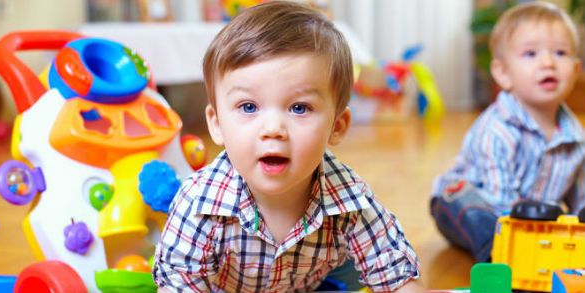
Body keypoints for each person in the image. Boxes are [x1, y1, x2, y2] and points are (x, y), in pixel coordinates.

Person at [152, 1, 421, 292]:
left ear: (337, 126)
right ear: (216, 124)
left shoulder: (350, 198)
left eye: (299, 108)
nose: (273, 130)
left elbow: (396, 273)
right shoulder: (200, 204)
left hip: (320, 279)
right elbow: (179, 283)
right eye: (248, 106)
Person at [430, 1, 585, 262]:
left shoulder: (575, 136)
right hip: (470, 202)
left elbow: (579, 195)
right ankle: (498, 256)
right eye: (531, 54)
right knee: (478, 215)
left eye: (559, 53)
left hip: (534, 219)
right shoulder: (496, 130)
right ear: (503, 73)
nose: (548, 62)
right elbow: (498, 202)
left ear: (576, 70)